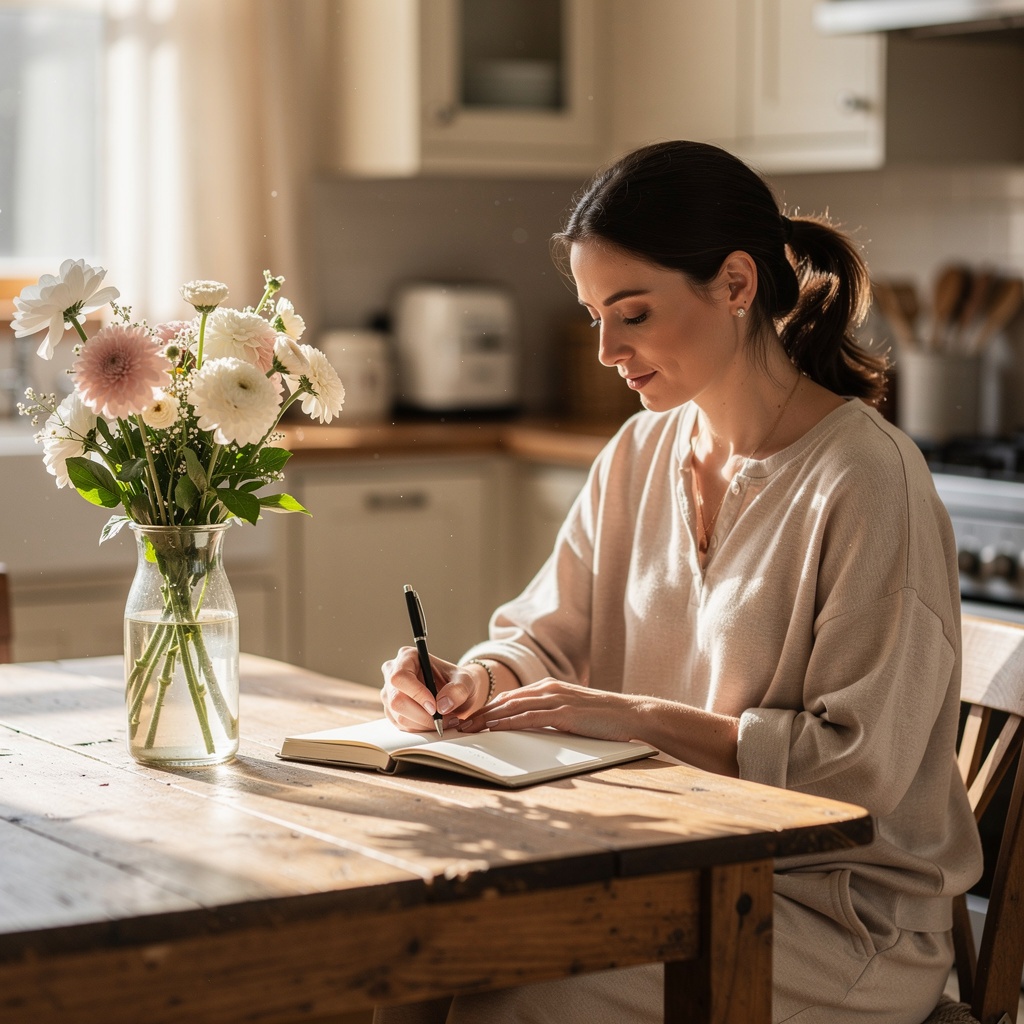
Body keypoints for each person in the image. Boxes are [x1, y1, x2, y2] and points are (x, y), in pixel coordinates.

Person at [376, 140, 983, 1024]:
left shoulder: (866, 478)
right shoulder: (640, 450)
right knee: (419, 962)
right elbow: (545, 635)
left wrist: (631, 719)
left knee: (508, 992)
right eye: (593, 316)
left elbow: (856, 770)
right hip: (672, 867)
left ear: (736, 286)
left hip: (838, 919)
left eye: (633, 314)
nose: (605, 351)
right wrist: (476, 682)